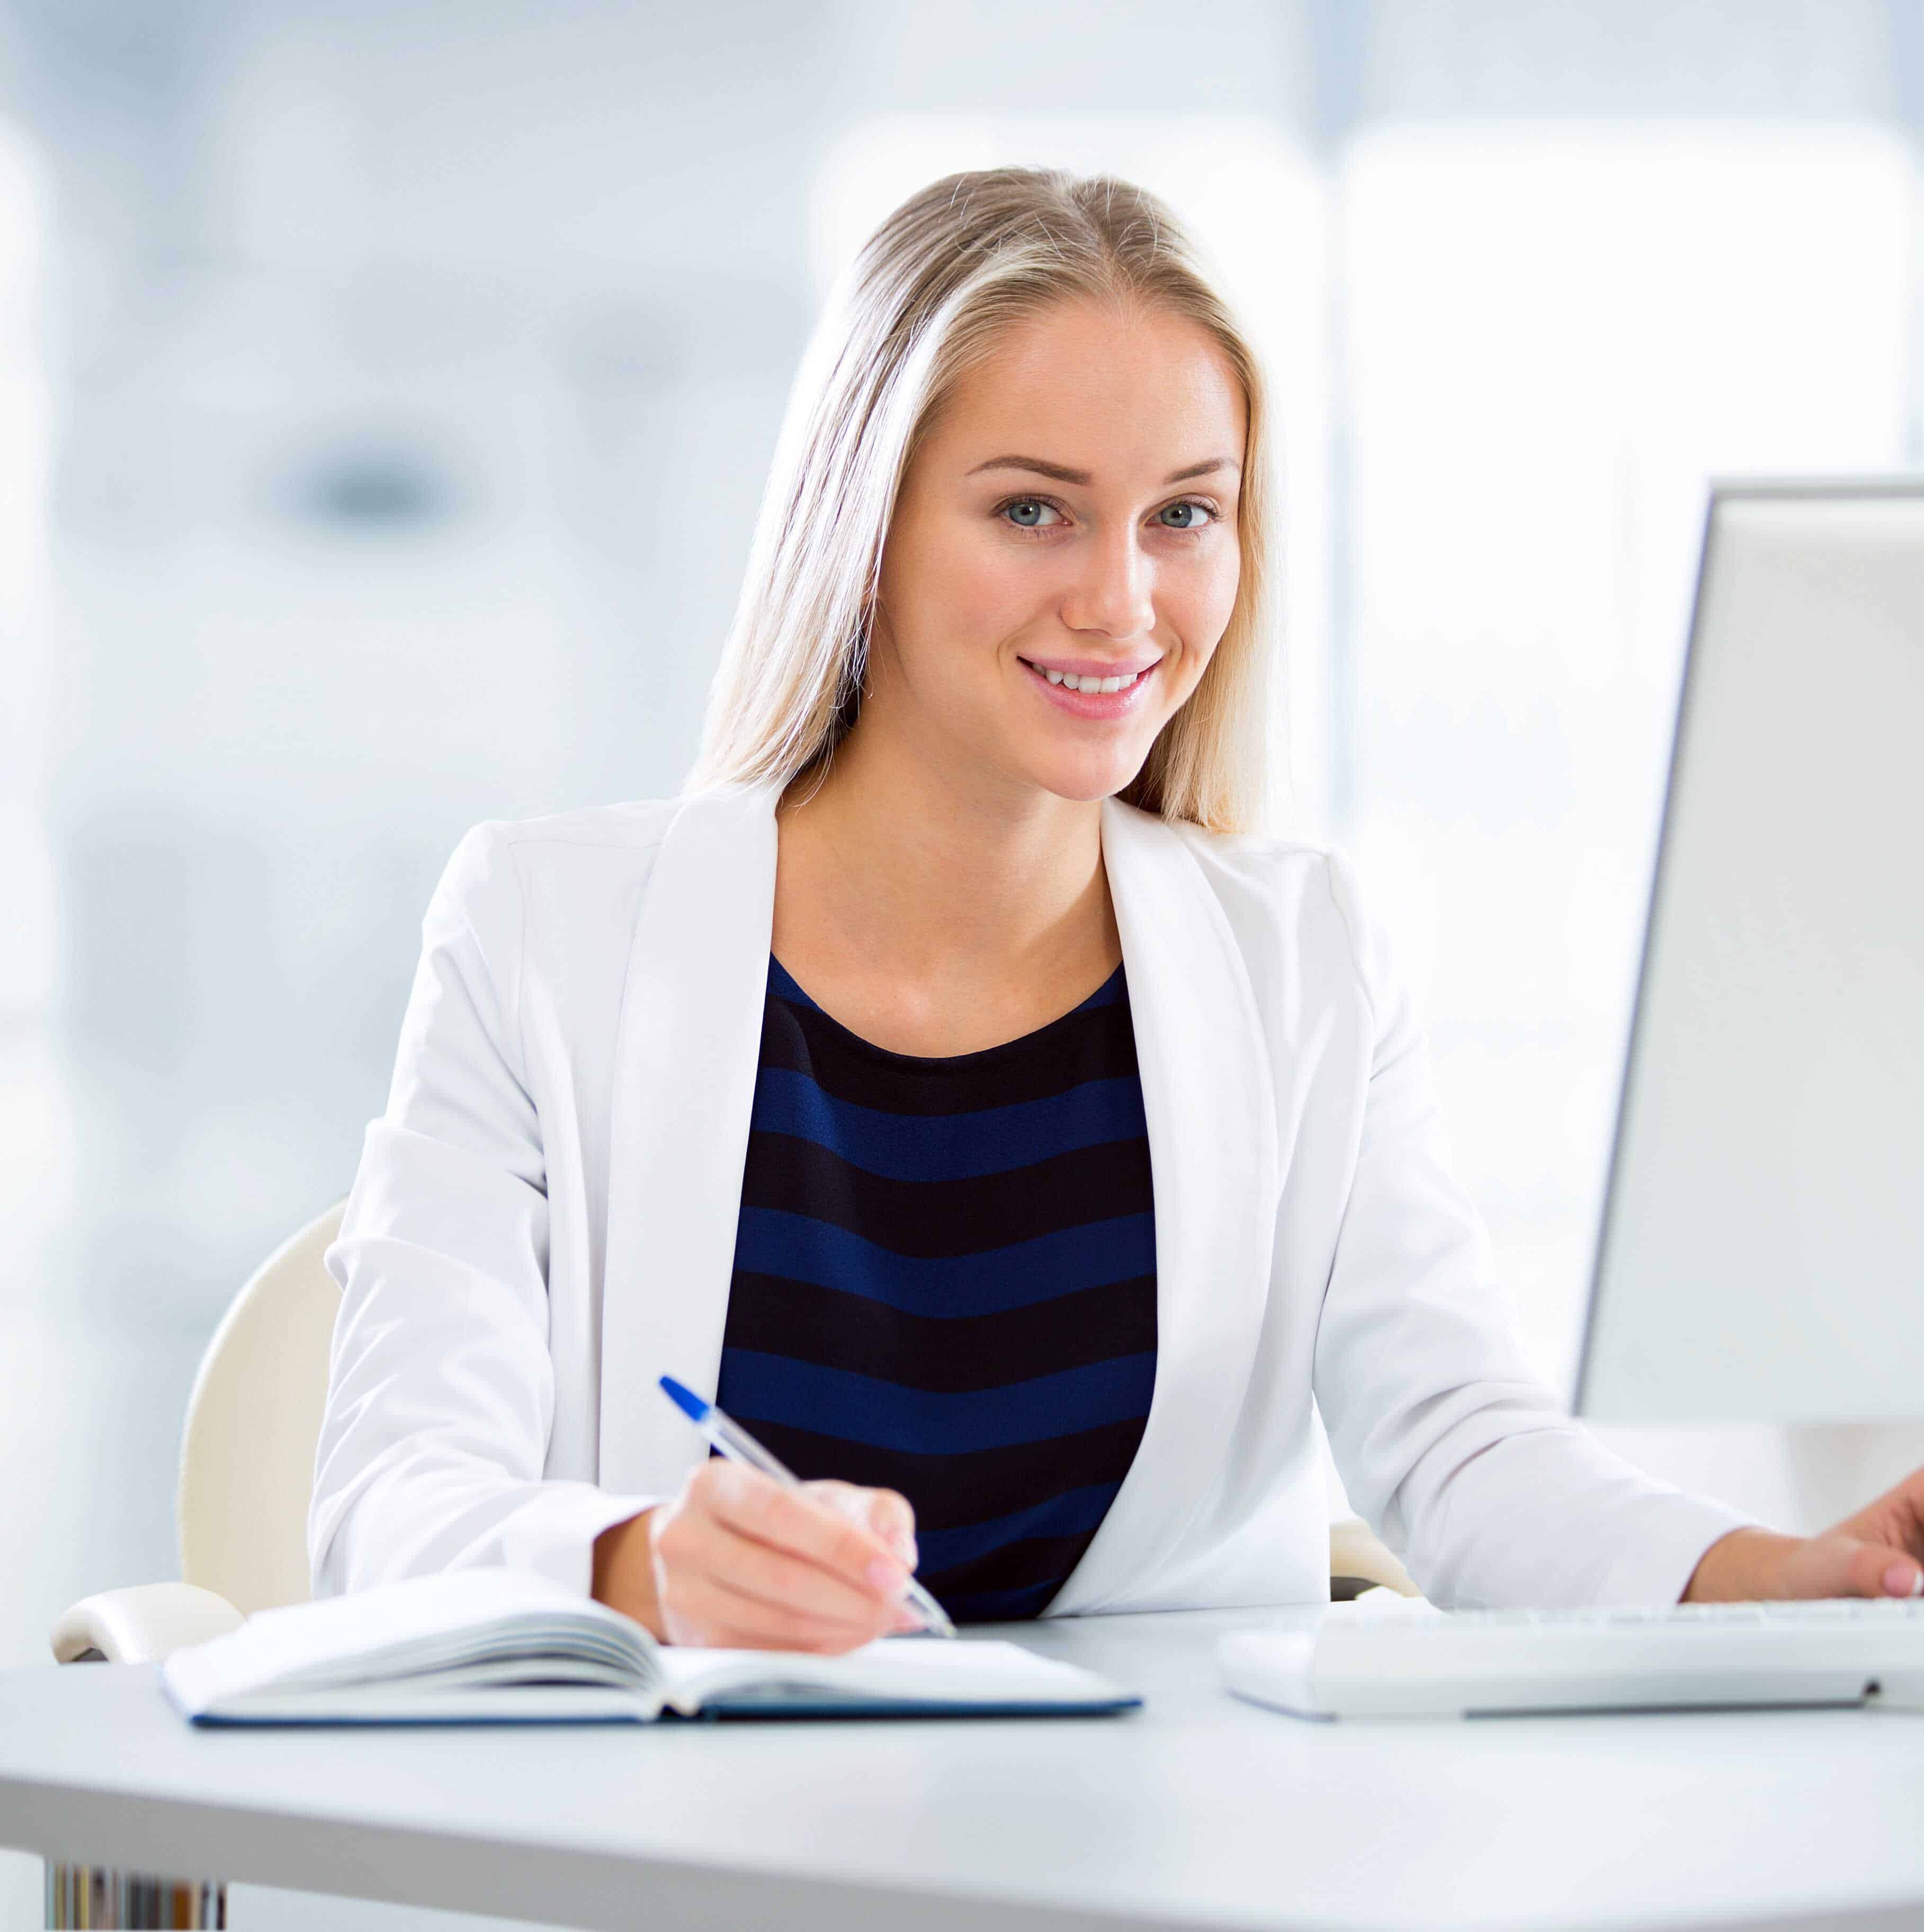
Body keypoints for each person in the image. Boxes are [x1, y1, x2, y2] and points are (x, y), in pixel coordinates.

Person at [309, 166, 1924, 1654]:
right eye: (1031, 509)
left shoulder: (1303, 958)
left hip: (1173, 1865)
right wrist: (630, 1563)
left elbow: (1461, 1450)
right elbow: (391, 1503)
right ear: (860, 528)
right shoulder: (546, 928)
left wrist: (1786, 1577)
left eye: (1184, 514)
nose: (1120, 600)